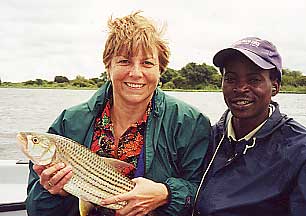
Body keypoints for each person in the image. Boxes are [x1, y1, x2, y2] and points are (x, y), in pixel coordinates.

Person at [26, 11, 211, 216]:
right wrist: (53, 192)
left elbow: (207, 195)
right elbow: (36, 209)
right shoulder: (69, 122)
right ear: (108, 66)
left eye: (147, 63)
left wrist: (166, 193)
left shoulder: (190, 123)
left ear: (161, 70)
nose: (136, 73)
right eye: (124, 61)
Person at [193, 37, 306, 216]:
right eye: (231, 78)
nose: (241, 88)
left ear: (275, 87)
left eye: (254, 80)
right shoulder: (206, 136)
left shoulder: (299, 149)